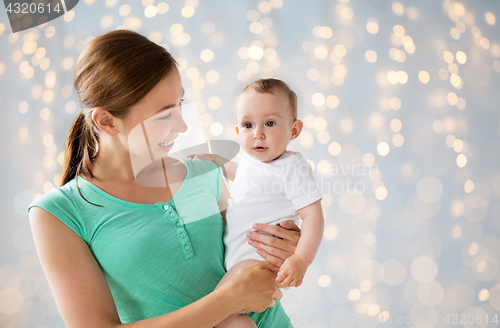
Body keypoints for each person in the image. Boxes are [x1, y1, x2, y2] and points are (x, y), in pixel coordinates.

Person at [28, 30, 301, 328]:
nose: (183, 126)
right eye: (163, 115)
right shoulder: (61, 214)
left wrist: (279, 244)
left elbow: (243, 259)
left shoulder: (202, 173)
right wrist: (228, 301)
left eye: (180, 103)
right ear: (106, 121)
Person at [191, 79, 324, 328]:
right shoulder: (251, 163)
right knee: (229, 318)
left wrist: (301, 260)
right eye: (248, 125)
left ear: (294, 130)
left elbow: (313, 216)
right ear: (238, 131)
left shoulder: (291, 167)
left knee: (215, 312)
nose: (258, 133)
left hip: (258, 263)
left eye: (270, 123)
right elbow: (238, 174)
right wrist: (215, 159)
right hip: (239, 262)